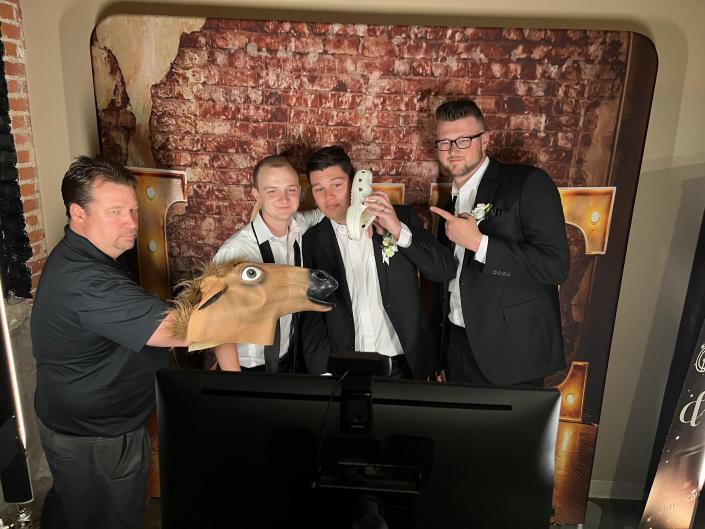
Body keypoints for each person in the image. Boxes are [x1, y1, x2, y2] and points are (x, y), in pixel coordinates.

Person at [31, 156, 191, 529]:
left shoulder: (86, 255)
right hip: (97, 440)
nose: (131, 222)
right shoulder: (88, 280)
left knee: (72, 512)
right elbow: (175, 330)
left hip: (82, 429)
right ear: (78, 213)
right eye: (115, 212)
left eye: (133, 210)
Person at [429, 99, 570, 386]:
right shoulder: (448, 205)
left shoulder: (527, 183)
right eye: (445, 142)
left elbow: (555, 267)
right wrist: (443, 354)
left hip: (512, 352)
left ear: (485, 141)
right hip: (458, 349)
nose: (453, 150)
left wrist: (480, 244)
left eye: (464, 140)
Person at [300, 146, 454, 379]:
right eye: (319, 189)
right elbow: (312, 316)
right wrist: (322, 373)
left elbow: (443, 270)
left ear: (354, 184)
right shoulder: (311, 241)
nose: (328, 196)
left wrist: (398, 231)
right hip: (345, 369)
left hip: (405, 365)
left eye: (337, 185)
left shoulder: (399, 218)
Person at [212, 154, 323, 372]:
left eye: (291, 189)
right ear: (256, 194)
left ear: (299, 191)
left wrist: (362, 217)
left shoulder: (299, 225)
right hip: (247, 368)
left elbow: (326, 212)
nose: (284, 199)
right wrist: (235, 383)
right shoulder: (236, 252)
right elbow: (218, 330)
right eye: (272, 190)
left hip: (289, 361)